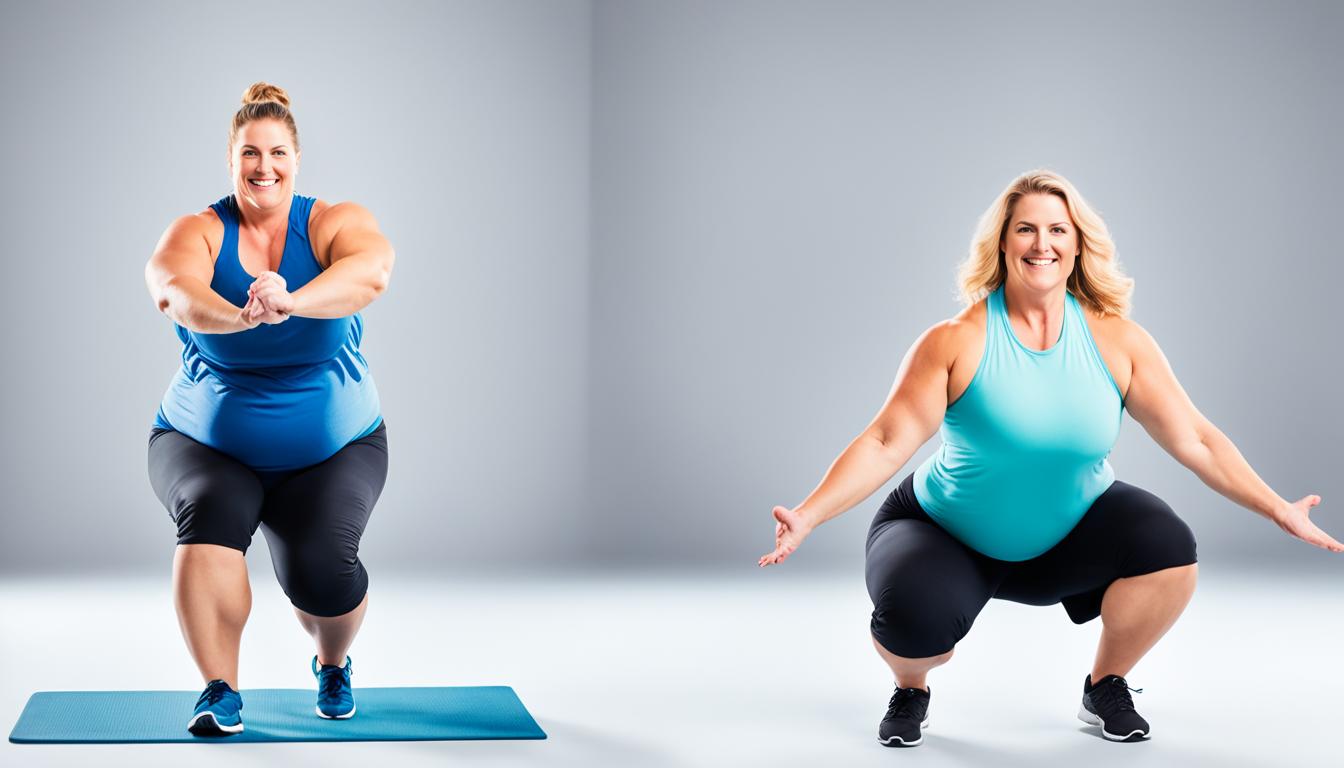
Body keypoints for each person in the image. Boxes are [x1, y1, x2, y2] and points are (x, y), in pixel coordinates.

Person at [759, 169, 1338, 747]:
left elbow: (1196, 438)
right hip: (947, 530)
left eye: (1057, 229)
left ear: (1078, 243)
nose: (1043, 244)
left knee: (1169, 547)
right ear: (1003, 243)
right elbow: (886, 440)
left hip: (1068, 532)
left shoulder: (1118, 342)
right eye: (1026, 230)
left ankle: (1105, 684)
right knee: (913, 625)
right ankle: (911, 688)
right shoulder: (956, 340)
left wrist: (1276, 509)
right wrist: (808, 515)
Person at [144, 82, 395, 736]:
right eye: (250, 154)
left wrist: (293, 300)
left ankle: (332, 662)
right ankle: (219, 690)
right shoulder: (198, 230)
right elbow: (173, 291)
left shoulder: (331, 221)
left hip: (335, 447)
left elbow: (371, 272)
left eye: (277, 153)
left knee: (320, 572)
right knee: (209, 510)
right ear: (231, 161)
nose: (264, 167)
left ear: (297, 159)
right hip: (206, 442)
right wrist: (240, 315)